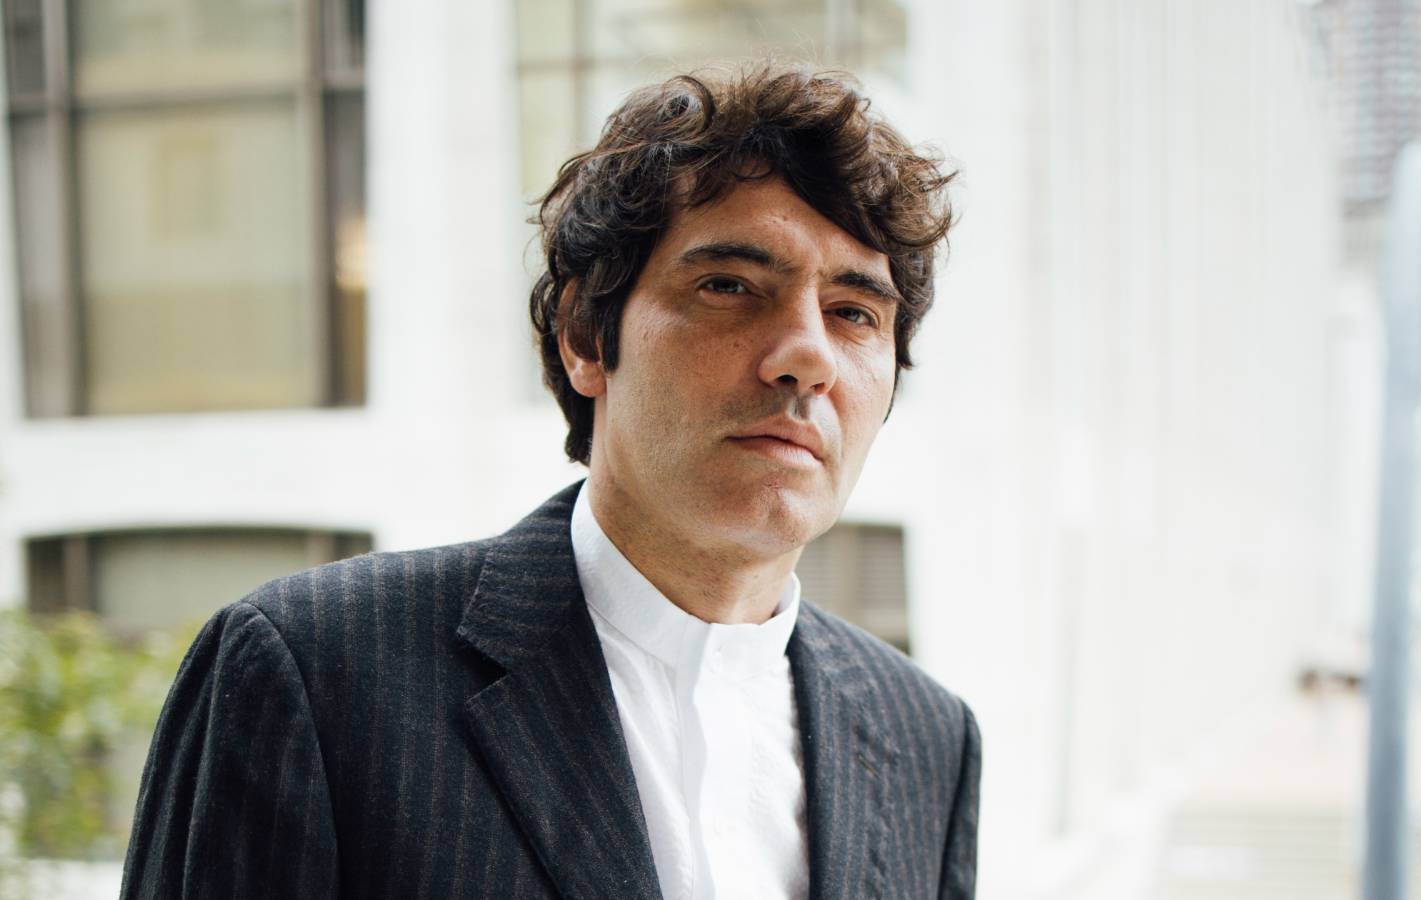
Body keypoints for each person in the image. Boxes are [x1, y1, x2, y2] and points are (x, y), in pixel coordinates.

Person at [120, 63, 980, 900]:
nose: (806, 357)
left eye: (854, 313)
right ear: (584, 337)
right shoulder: (314, 671)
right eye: (729, 286)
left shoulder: (928, 740)